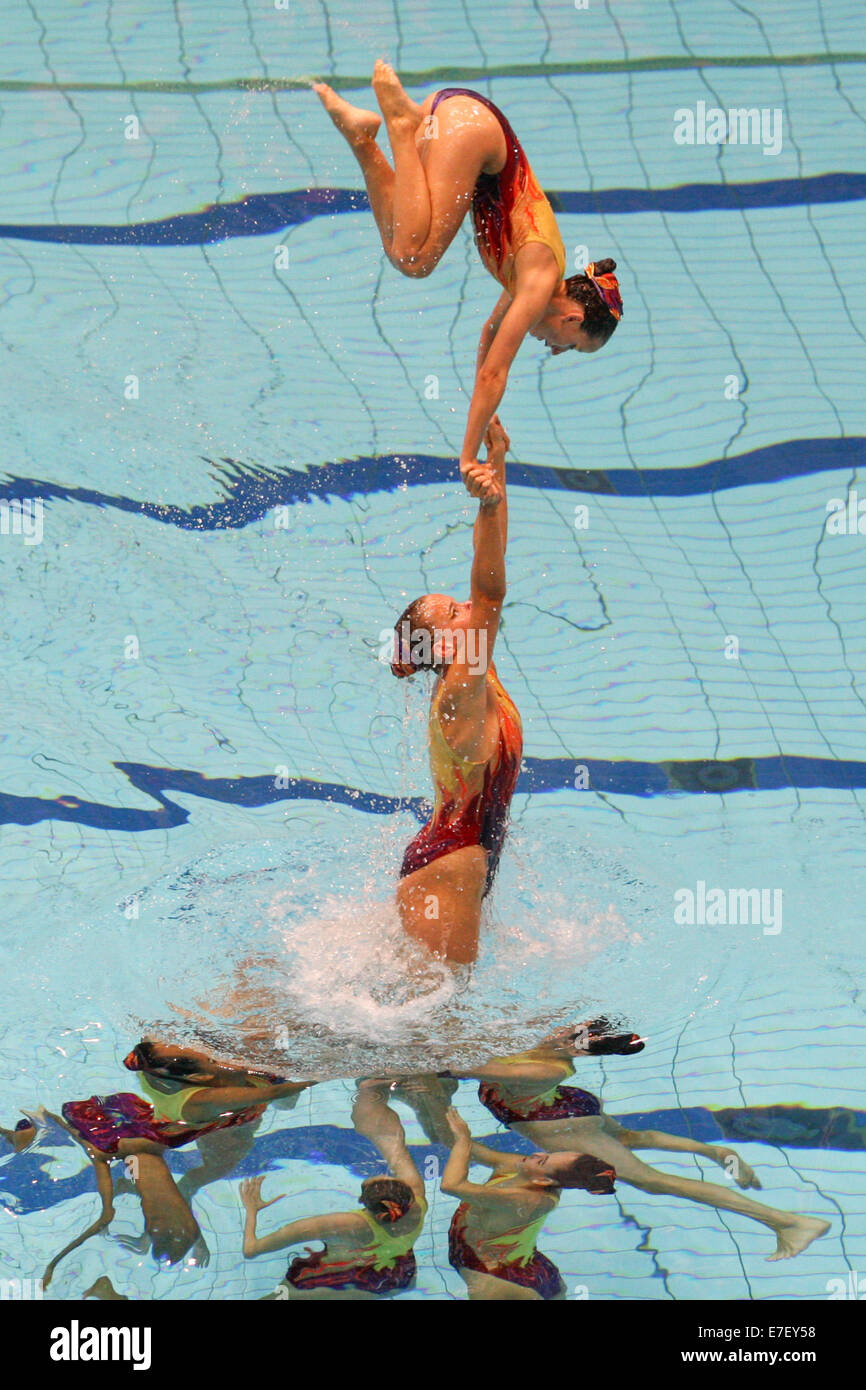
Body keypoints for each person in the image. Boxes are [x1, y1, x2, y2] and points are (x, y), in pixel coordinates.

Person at [314, 63, 622, 480]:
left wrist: (486, 420)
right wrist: (467, 458)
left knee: (405, 250)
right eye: (571, 346)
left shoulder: (533, 279)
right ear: (573, 318)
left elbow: (488, 339)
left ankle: (364, 136)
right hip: (471, 129)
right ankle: (401, 125)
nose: (554, 350)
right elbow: (496, 371)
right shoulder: (538, 282)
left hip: (454, 120)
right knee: (415, 258)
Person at [444, 1024, 831, 1261]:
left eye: (569, 1034)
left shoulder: (542, 1066)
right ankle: (714, 1150)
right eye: (571, 1030)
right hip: (570, 1106)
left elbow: (457, 1066)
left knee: (654, 1181)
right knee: (631, 1137)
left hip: (561, 1124)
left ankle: (789, 1222)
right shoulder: (549, 1051)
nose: (559, 1031)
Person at [390, 417, 521, 966]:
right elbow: (490, 591)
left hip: (457, 860)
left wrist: (497, 473)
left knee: (427, 1020)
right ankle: (203, 1054)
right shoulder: (459, 693)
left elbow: (489, 585)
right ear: (440, 648)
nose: (465, 610)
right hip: (449, 863)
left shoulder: (473, 674)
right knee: (430, 1032)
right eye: (451, 613)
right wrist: (488, 503)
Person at [40, 1039, 312, 1284]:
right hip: (203, 1124)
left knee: (221, 1150)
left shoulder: (131, 1147)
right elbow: (113, 1205)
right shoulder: (163, 1082)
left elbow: (109, 1197)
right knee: (260, 1110)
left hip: (199, 1127)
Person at [241, 1079, 426, 1300]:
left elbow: (251, 1250)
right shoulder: (417, 1202)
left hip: (336, 1278)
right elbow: (392, 1141)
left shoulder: (342, 1224)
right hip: (390, 1276)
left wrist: (252, 1210)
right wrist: (374, 1090)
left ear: (367, 1207)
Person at [441, 1106, 614, 1301]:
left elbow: (451, 1185)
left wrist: (463, 1139)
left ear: (544, 1181)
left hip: (492, 1275)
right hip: (534, 1266)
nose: (536, 1155)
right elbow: (456, 1143)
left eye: (543, 1161)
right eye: (546, 1154)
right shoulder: (527, 1169)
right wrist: (434, 1098)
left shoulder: (527, 1199)